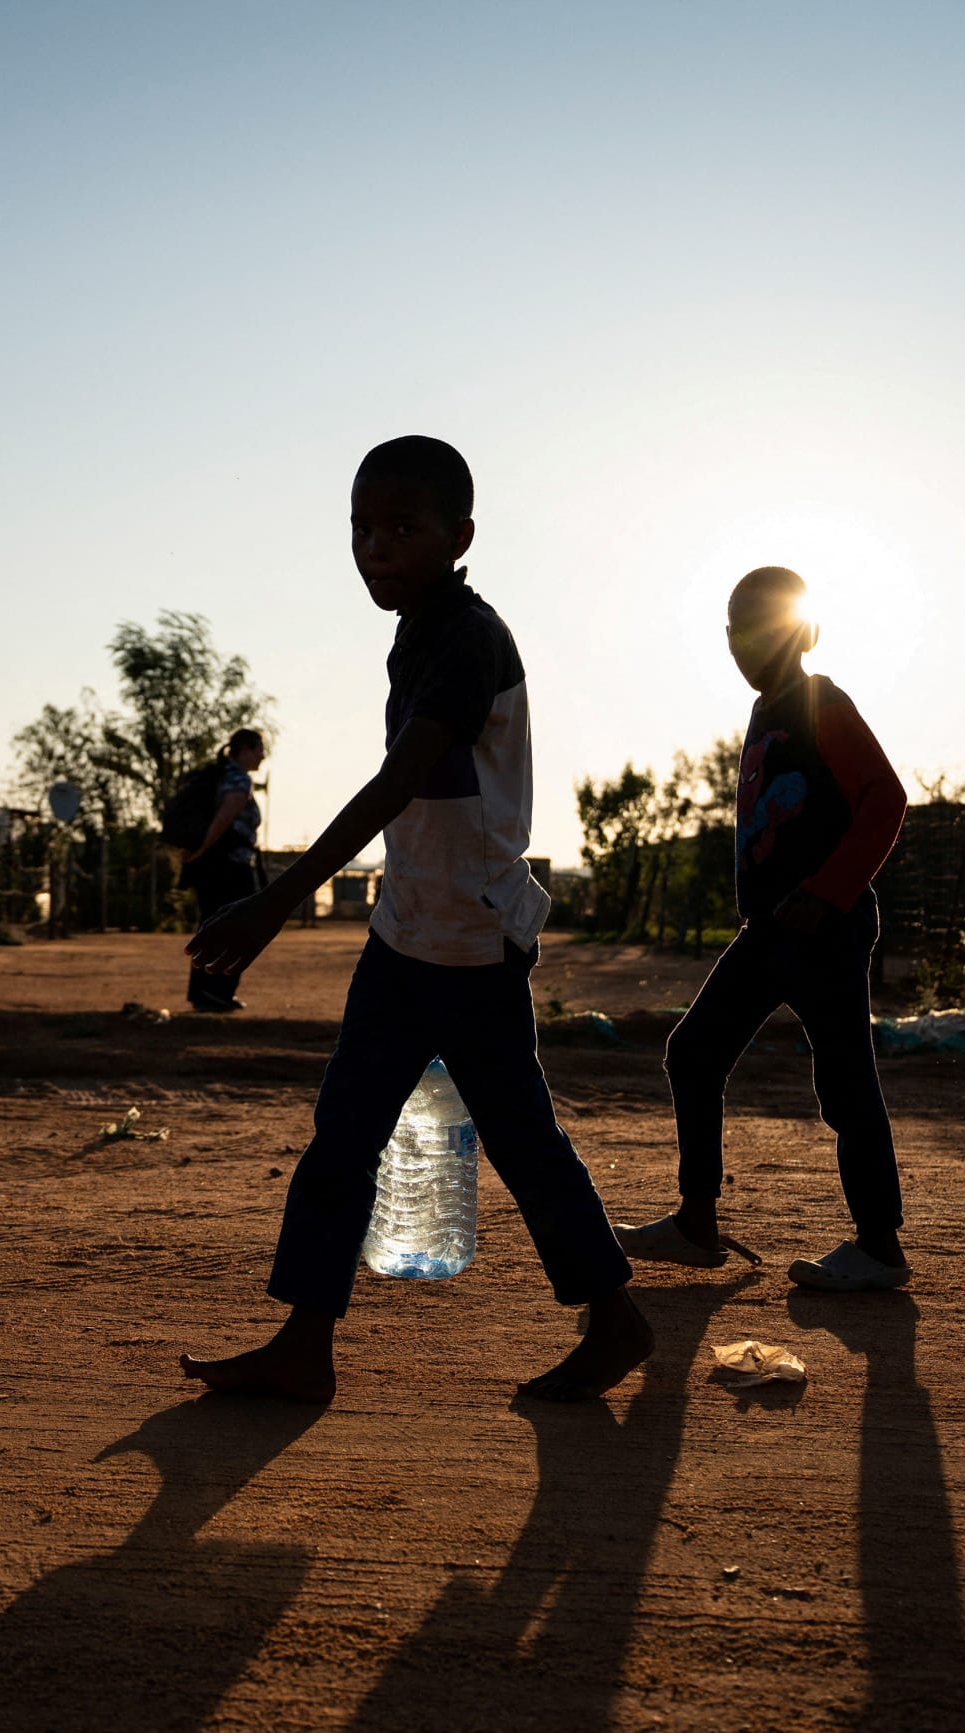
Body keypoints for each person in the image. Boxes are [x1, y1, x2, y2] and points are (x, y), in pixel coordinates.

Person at [180, 435, 646, 1405]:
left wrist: (276, 896)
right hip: (407, 929)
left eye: (400, 526)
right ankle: (305, 1344)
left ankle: (614, 1315)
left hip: (469, 941)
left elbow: (401, 779)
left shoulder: (464, 638)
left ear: (459, 534)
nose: (374, 547)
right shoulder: (420, 627)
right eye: (360, 527)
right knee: (342, 1133)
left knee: (519, 1137)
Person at [616, 566, 912, 1290]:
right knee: (693, 1051)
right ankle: (696, 1222)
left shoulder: (820, 702)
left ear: (802, 631)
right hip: (770, 933)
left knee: (845, 1084)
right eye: (735, 630)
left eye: (762, 626)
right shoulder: (765, 714)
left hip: (825, 930)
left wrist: (826, 893)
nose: (746, 643)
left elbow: (886, 799)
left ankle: (879, 1246)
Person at [179, 727, 267, 1012]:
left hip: (215, 867)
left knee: (212, 926)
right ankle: (217, 992)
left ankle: (204, 993)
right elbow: (222, 821)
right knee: (237, 927)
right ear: (245, 750)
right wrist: (202, 850)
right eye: (259, 749)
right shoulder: (238, 781)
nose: (262, 756)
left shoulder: (221, 776)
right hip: (229, 868)